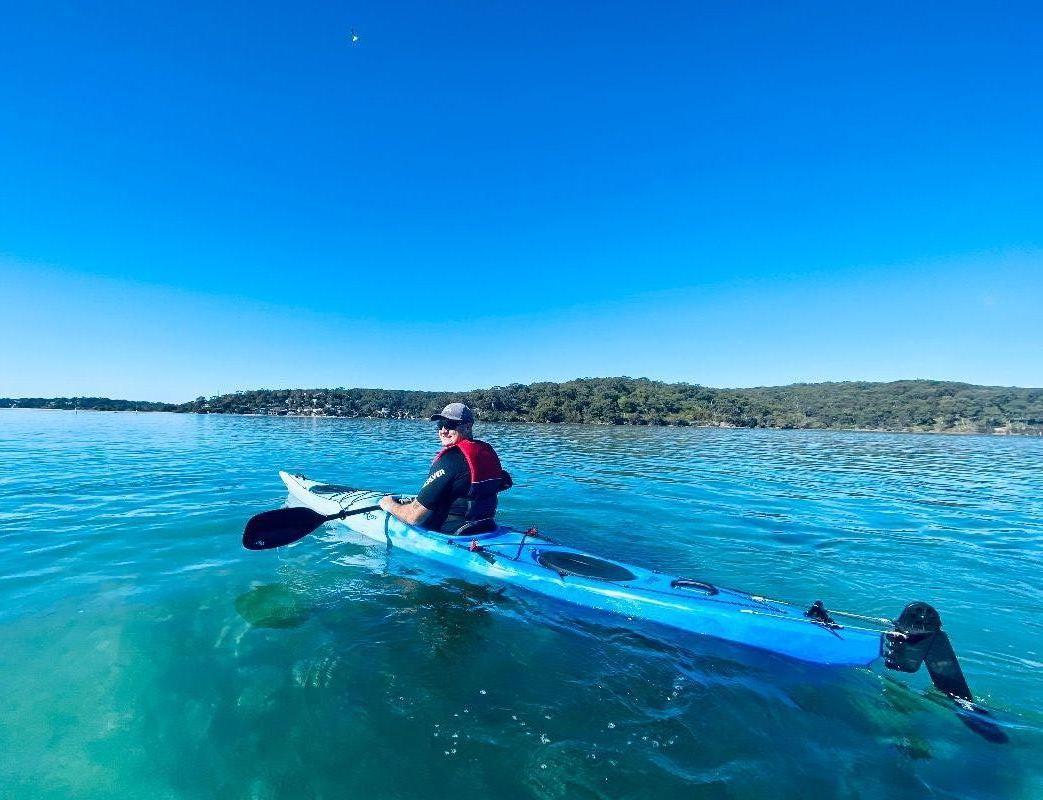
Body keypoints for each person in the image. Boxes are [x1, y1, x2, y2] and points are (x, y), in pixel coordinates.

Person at [379, 402, 512, 535]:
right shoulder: (487, 452)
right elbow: (499, 484)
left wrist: (389, 504)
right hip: (486, 527)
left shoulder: (450, 460)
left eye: (450, 424)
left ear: (468, 426)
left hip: (454, 534)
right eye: (440, 424)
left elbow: (414, 517)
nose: (443, 430)